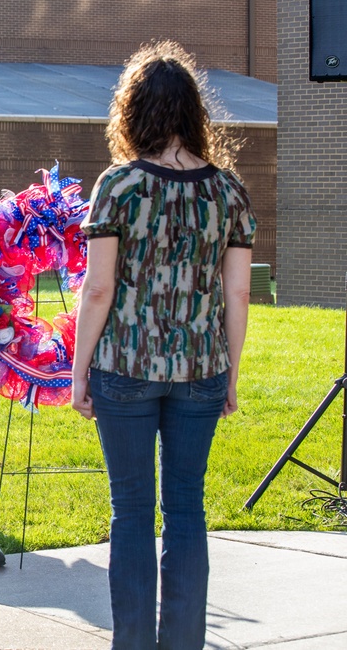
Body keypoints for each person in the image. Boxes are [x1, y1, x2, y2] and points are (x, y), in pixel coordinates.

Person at [71, 41, 255, 649]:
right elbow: (237, 296)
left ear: (133, 111)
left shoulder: (118, 185)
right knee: (186, 510)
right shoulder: (228, 192)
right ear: (194, 113)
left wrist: (78, 374)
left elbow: (98, 290)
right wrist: (229, 374)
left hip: (123, 365)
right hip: (202, 368)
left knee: (131, 513)